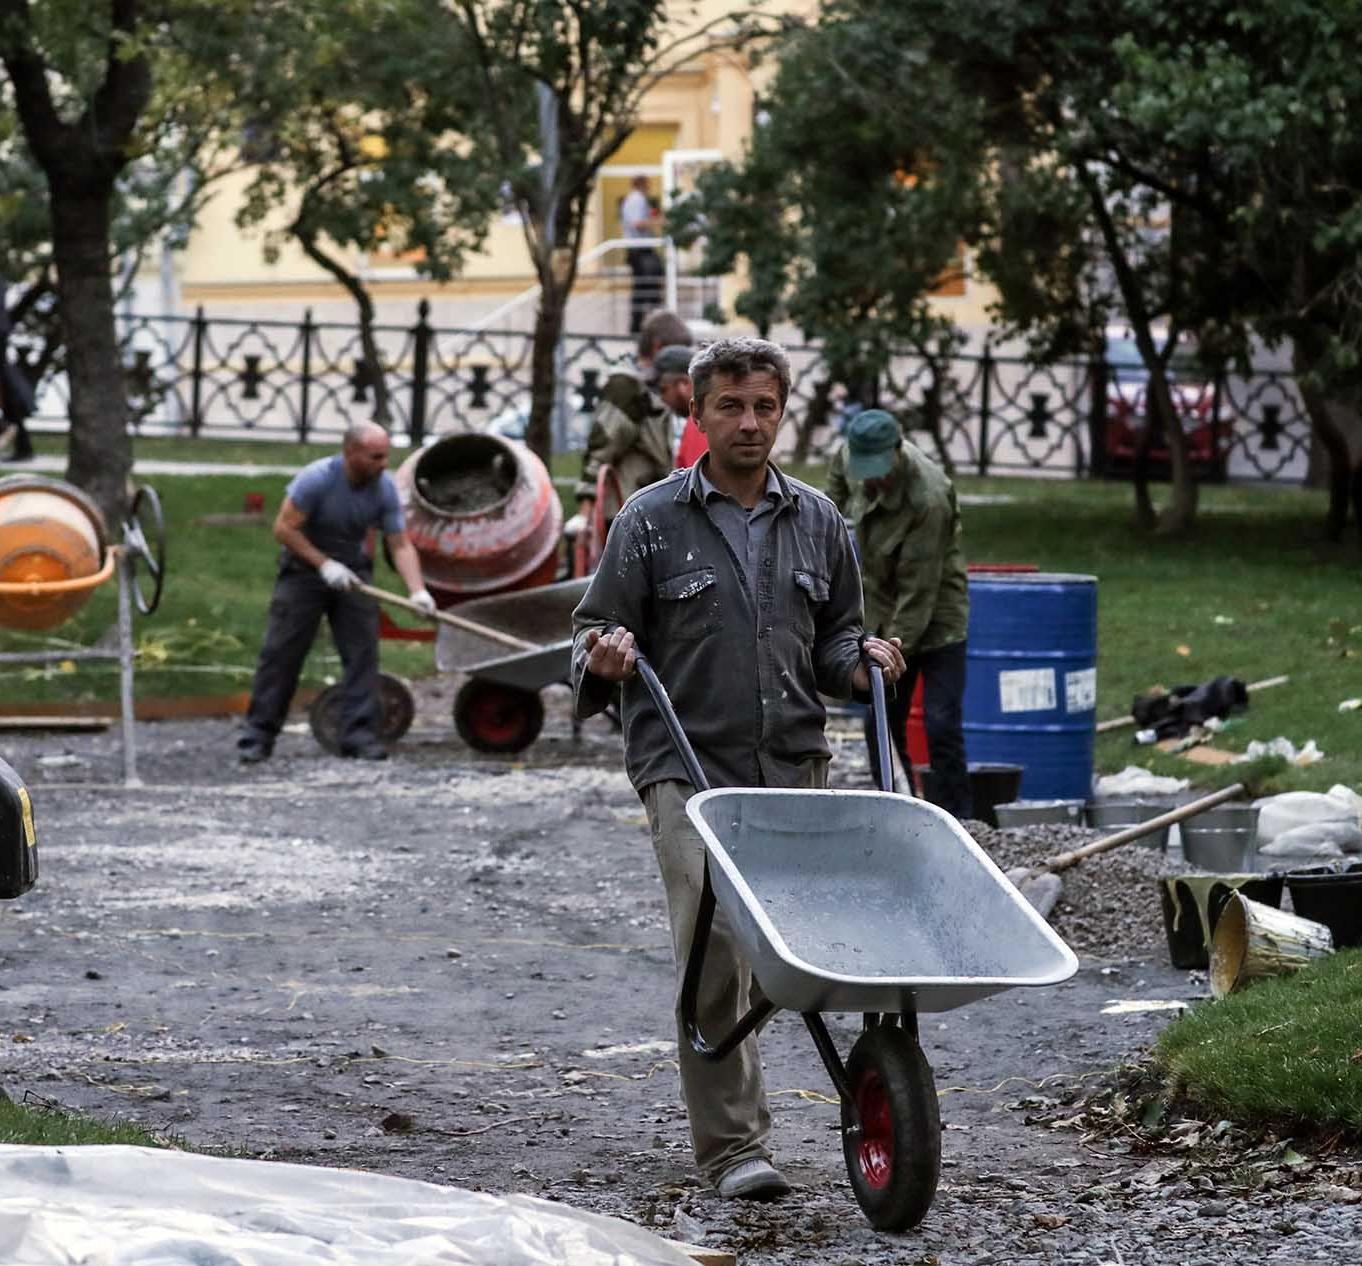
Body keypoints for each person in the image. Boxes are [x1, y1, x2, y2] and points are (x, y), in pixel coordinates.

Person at [571, 337, 906, 1201]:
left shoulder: (821, 522)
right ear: (697, 412)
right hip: (686, 764)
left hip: (789, 761)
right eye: (730, 406)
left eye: (764, 406)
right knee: (715, 951)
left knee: (798, 947)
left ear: (782, 410)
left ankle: (879, 1095)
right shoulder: (650, 520)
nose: (749, 422)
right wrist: (603, 658)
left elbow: (833, 640)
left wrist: (862, 657)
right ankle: (733, 1148)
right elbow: (592, 631)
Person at [237, 422, 436, 764]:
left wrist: (418, 591)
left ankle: (358, 736)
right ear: (350, 454)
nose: (383, 463)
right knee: (282, 653)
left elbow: (400, 544)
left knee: (362, 654)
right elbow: (283, 529)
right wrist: (324, 565)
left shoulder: (384, 489)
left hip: (353, 575)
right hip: (304, 572)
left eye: (385, 456)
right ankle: (258, 736)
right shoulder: (316, 480)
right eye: (375, 456)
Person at [829, 409, 972, 817]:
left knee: (941, 725)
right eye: (866, 470)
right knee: (878, 723)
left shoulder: (928, 498)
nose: (873, 479)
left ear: (898, 451)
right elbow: (834, 492)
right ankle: (897, 811)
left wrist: (888, 652)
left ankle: (959, 820)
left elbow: (918, 590)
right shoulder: (851, 455)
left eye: (881, 470)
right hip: (880, 606)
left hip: (937, 617)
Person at [571, 311, 691, 532]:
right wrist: (585, 512)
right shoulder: (626, 387)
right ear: (657, 347)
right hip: (625, 511)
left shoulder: (652, 388)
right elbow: (602, 444)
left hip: (649, 507)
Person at [620, 175, 663, 333]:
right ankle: (645, 325)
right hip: (640, 249)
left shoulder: (634, 200)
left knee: (644, 287)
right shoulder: (637, 200)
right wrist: (658, 221)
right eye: (648, 184)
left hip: (639, 250)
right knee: (647, 287)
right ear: (642, 185)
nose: (650, 187)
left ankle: (643, 324)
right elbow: (637, 223)